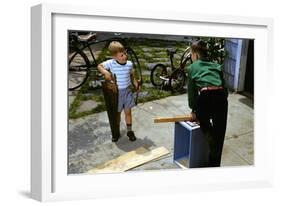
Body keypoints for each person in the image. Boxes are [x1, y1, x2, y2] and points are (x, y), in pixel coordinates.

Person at [187, 40, 228, 167]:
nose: (191, 57)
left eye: (191, 55)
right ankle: (214, 165)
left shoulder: (192, 68)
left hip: (206, 96)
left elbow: (192, 93)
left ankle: (210, 135)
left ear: (196, 55)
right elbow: (225, 88)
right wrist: (222, 99)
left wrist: (194, 110)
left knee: (202, 118)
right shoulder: (216, 66)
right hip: (221, 97)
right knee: (220, 133)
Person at [97, 41, 140, 142]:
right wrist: (105, 72)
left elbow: (132, 75)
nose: (125, 56)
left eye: (125, 53)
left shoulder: (129, 64)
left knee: (128, 112)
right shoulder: (111, 63)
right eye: (121, 55)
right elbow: (99, 66)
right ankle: (116, 132)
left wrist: (135, 84)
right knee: (117, 114)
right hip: (116, 94)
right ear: (114, 57)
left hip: (127, 92)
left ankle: (129, 131)